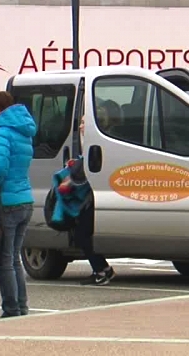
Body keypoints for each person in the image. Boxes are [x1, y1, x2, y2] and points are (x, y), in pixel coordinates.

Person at [0, 91, 36, 317]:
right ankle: (21, 306)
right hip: (24, 199)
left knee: (6, 260)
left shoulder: (2, 133)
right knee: (15, 258)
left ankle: (12, 307)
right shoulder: (23, 131)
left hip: (5, 202)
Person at [72, 113, 115, 286]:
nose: (81, 127)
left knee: (83, 233)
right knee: (84, 233)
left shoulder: (96, 144)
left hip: (92, 196)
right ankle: (102, 268)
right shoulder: (87, 143)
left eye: (84, 123)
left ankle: (101, 270)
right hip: (90, 195)